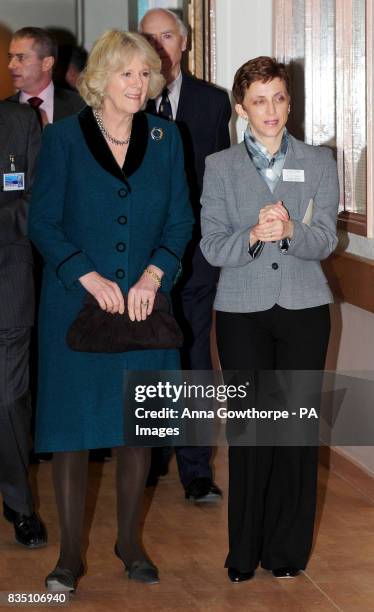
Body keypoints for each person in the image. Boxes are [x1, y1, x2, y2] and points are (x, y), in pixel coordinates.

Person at [28, 30, 193, 592]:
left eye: (145, 74)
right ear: (100, 79)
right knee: (72, 435)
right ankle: (69, 556)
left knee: (137, 432)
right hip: (77, 308)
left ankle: (129, 542)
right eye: (127, 73)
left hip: (146, 308)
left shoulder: (167, 137)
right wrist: (86, 273)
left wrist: (154, 275)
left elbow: (180, 223)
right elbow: (43, 222)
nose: (138, 84)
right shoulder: (65, 140)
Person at [200, 57, 339, 582]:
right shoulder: (220, 167)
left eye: (279, 98)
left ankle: (287, 552)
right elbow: (213, 246)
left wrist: (290, 234)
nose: (271, 110)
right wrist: (254, 238)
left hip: (305, 310)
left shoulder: (319, 162)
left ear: (289, 102)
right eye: (259, 100)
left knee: (295, 435)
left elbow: (324, 238)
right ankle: (243, 553)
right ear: (241, 108)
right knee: (250, 433)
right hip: (241, 312)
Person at [139, 7, 231, 502]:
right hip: (140, 258)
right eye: (147, 38)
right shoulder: (132, 99)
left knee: (195, 354)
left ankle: (196, 469)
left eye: (166, 36)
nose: (156, 47)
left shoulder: (213, 103)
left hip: (195, 256)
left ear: (185, 42)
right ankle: (150, 456)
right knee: (151, 352)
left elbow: (220, 180)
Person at [0, 100, 47, 548]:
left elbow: (38, 198)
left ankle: (20, 504)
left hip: (8, 286)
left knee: (9, 401)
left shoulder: (20, 122)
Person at [8, 27, 84, 127]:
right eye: (10, 57)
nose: (11, 65)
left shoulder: (81, 107)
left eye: (20, 58)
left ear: (47, 63)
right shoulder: (4, 111)